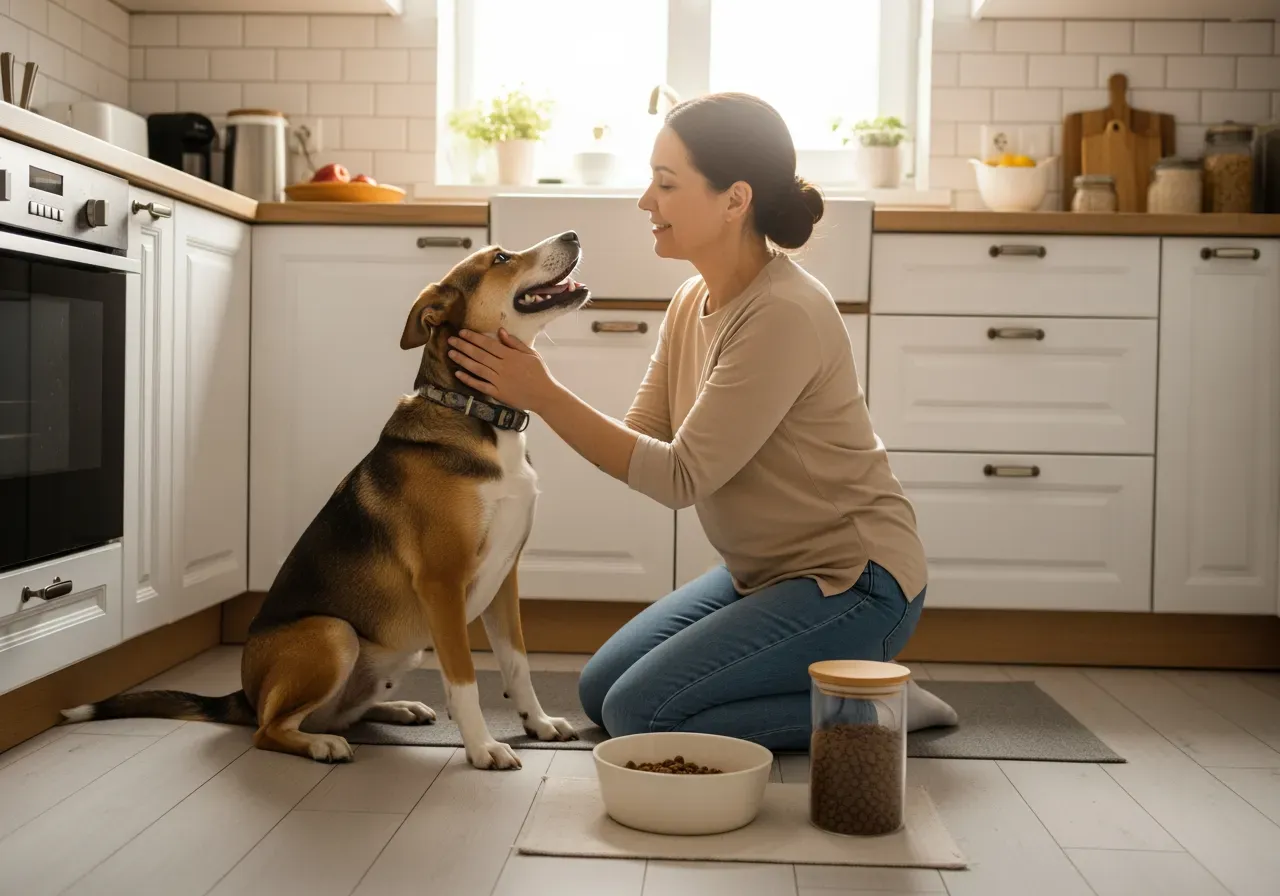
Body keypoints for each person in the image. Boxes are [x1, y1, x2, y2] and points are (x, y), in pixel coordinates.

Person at [447, 92, 956, 750]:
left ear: (734, 199)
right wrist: (526, 364)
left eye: (665, 184)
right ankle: (827, 689)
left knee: (641, 716)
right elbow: (645, 438)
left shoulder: (785, 312)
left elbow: (678, 479)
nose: (645, 203)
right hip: (763, 573)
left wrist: (542, 393)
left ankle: (876, 707)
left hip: (855, 582)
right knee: (601, 690)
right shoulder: (694, 298)